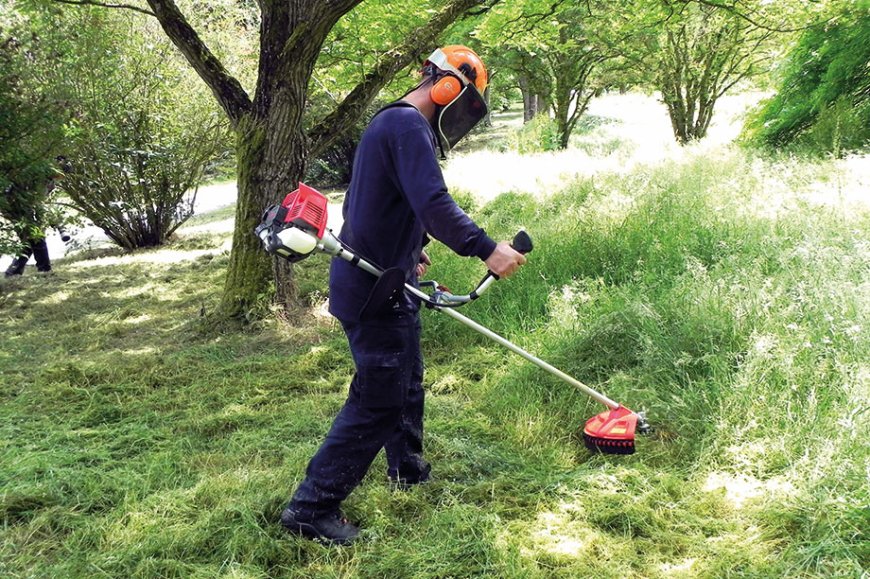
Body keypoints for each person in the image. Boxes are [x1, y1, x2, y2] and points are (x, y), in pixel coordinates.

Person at [280, 45, 527, 544]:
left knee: (407, 379)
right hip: (374, 290)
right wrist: (485, 249)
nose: (463, 116)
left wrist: (412, 247)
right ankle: (311, 509)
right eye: (468, 104)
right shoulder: (406, 125)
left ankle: (406, 470)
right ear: (447, 87)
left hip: (390, 279)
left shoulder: (391, 124)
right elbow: (433, 201)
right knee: (379, 399)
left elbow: (374, 204)